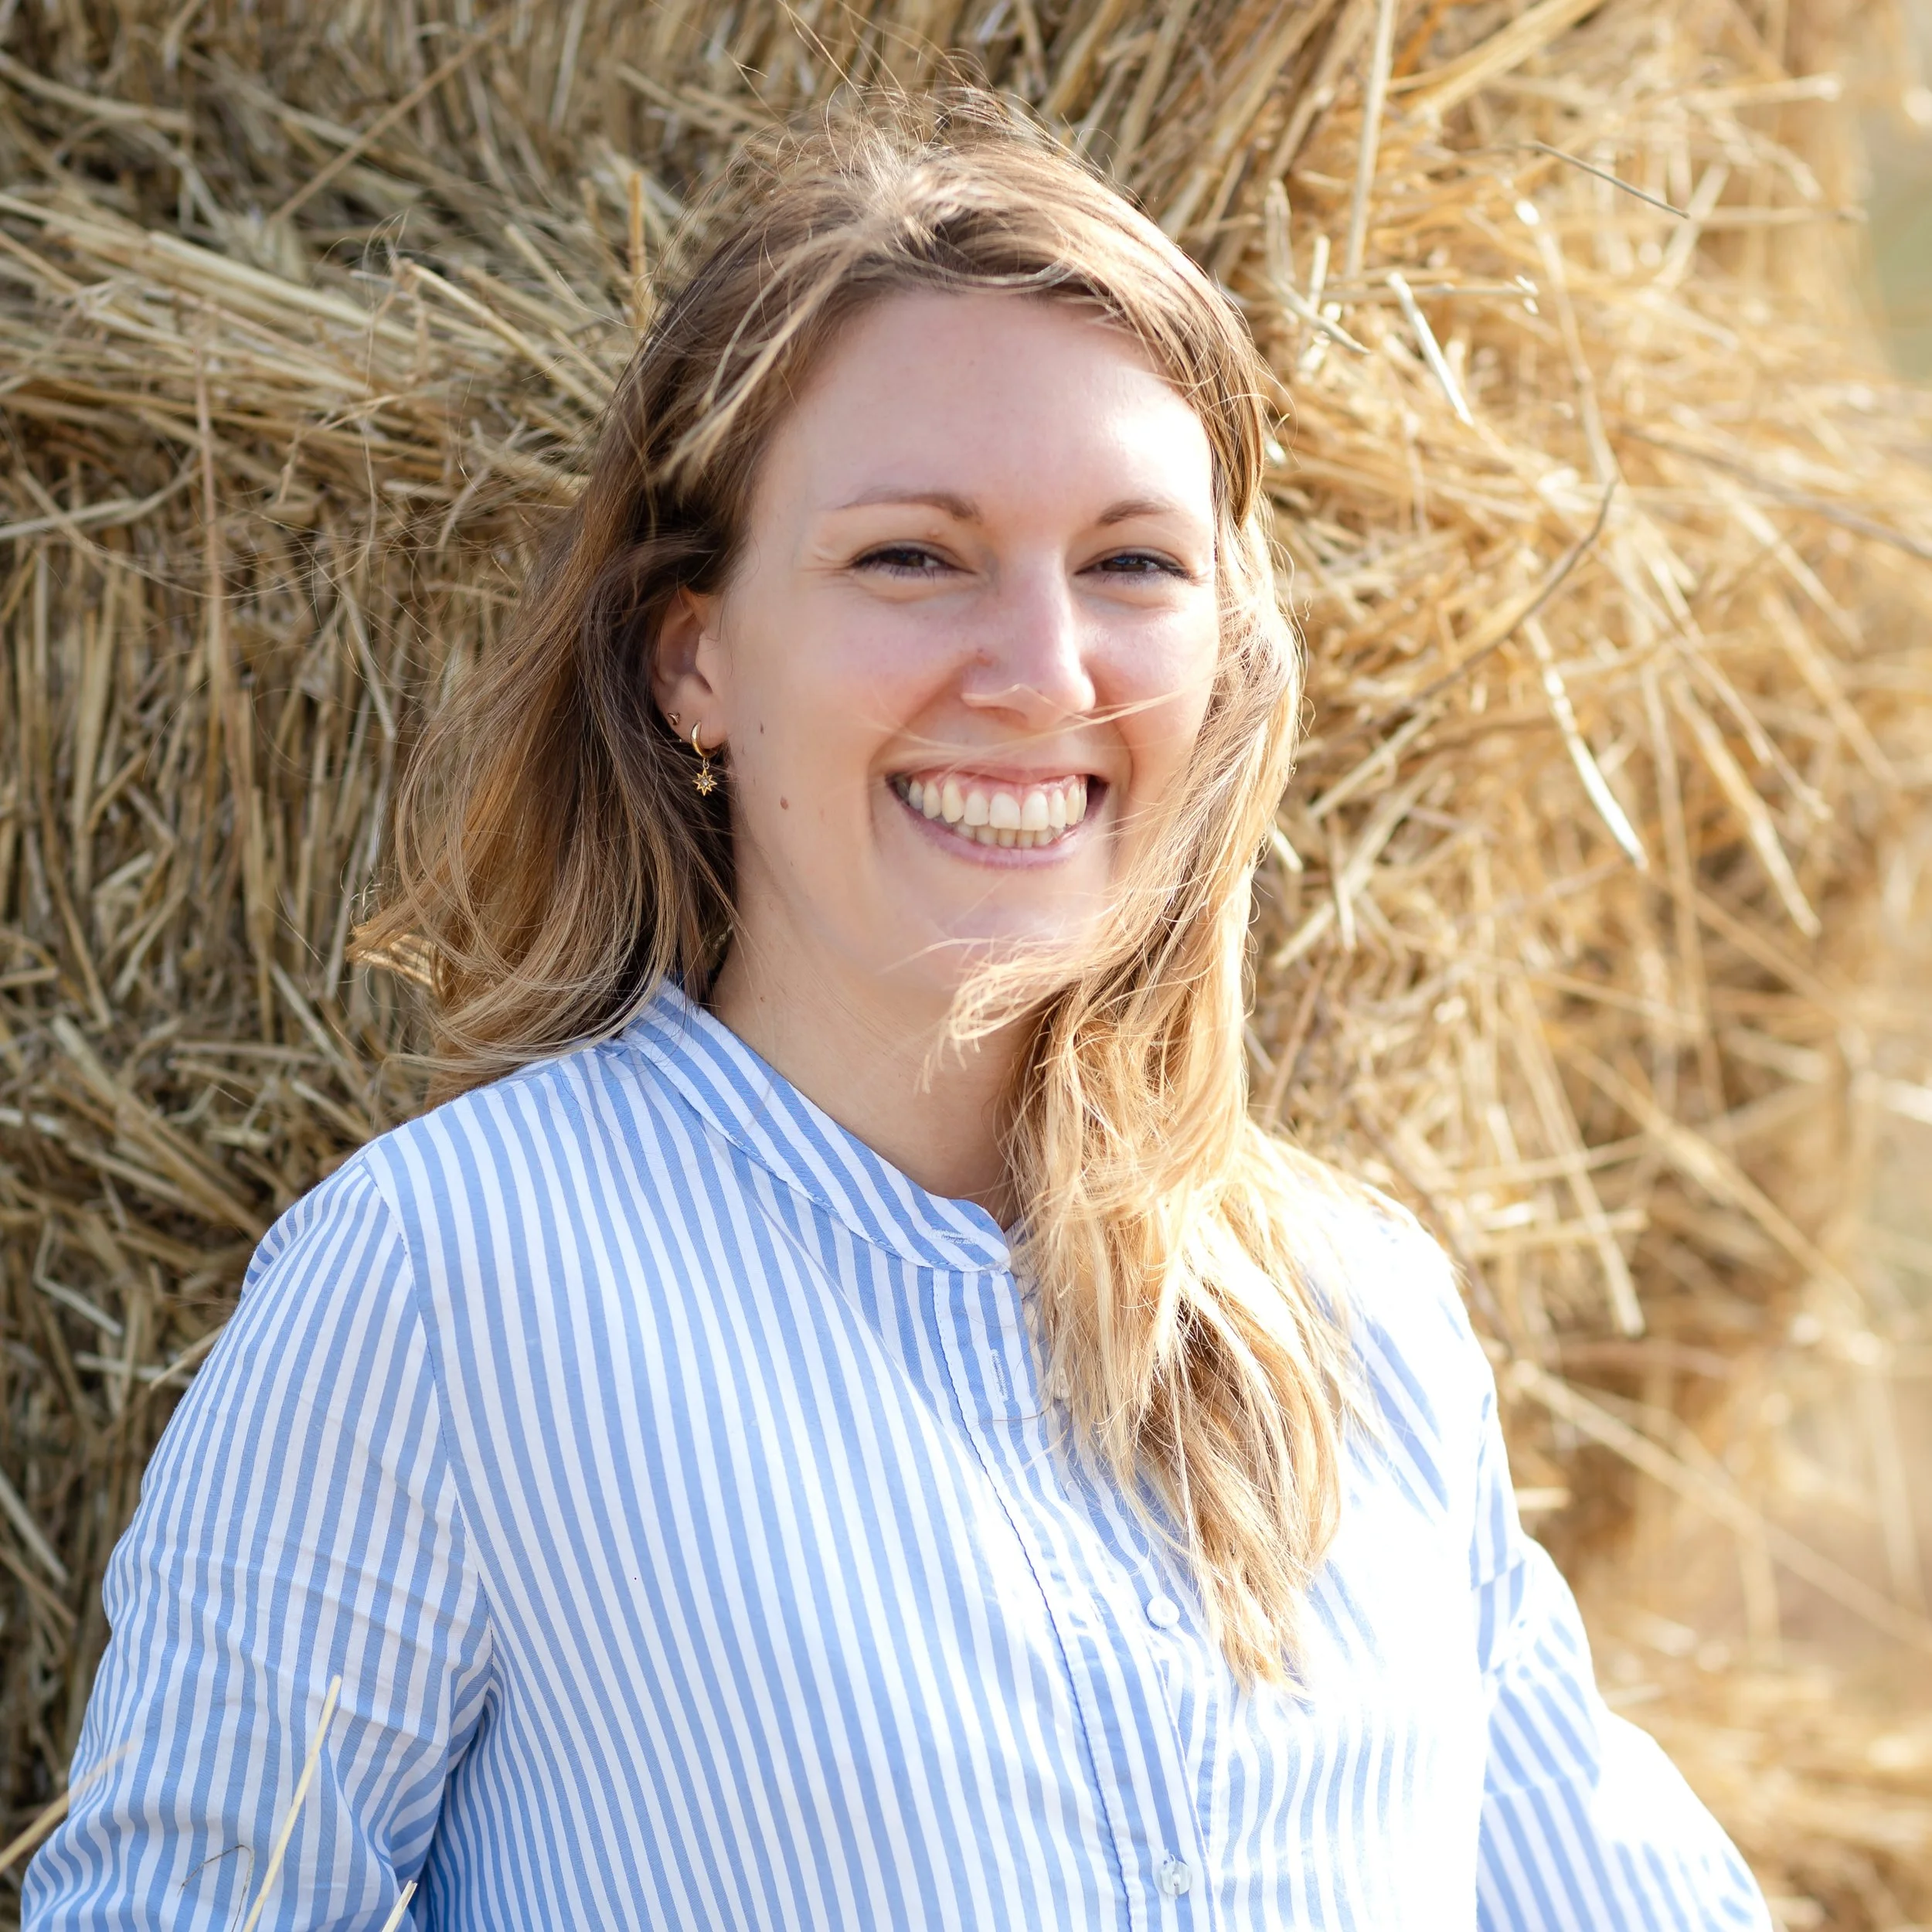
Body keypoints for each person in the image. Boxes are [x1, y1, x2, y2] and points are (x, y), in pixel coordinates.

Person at [28, 93, 1770, 1932]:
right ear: (690, 655)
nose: (1040, 673)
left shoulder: (1360, 1320)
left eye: (1132, 563)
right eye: (909, 557)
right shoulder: (448, 1282)